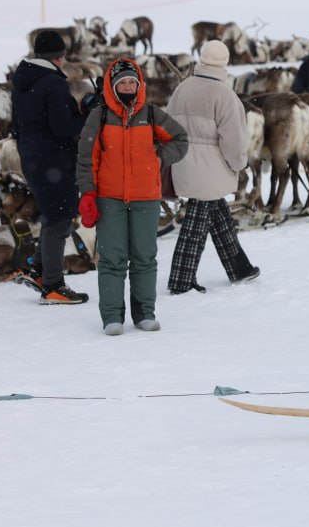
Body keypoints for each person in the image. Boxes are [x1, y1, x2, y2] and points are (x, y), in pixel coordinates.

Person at [77, 59, 188, 336]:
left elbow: (180, 139)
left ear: (139, 85)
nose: (127, 87)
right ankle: (112, 317)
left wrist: (159, 158)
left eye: (132, 82)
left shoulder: (151, 114)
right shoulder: (99, 116)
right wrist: (88, 193)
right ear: (112, 86)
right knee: (112, 258)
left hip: (146, 197)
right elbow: (86, 158)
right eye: (122, 83)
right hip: (109, 198)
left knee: (144, 258)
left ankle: (145, 314)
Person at [165, 41, 259, 295]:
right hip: (210, 167)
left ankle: (239, 268)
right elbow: (234, 140)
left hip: (183, 162)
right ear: (224, 62)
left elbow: (167, 126)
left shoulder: (182, 88)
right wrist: (239, 164)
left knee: (219, 216)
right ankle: (181, 280)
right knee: (195, 227)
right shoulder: (225, 95)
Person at [11, 31, 90, 303]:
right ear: (60, 57)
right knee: (59, 219)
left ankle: (40, 270)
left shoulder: (23, 79)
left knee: (51, 214)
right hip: (54, 161)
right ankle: (54, 285)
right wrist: (87, 115)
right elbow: (62, 127)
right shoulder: (53, 83)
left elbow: (20, 124)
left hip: (32, 159)